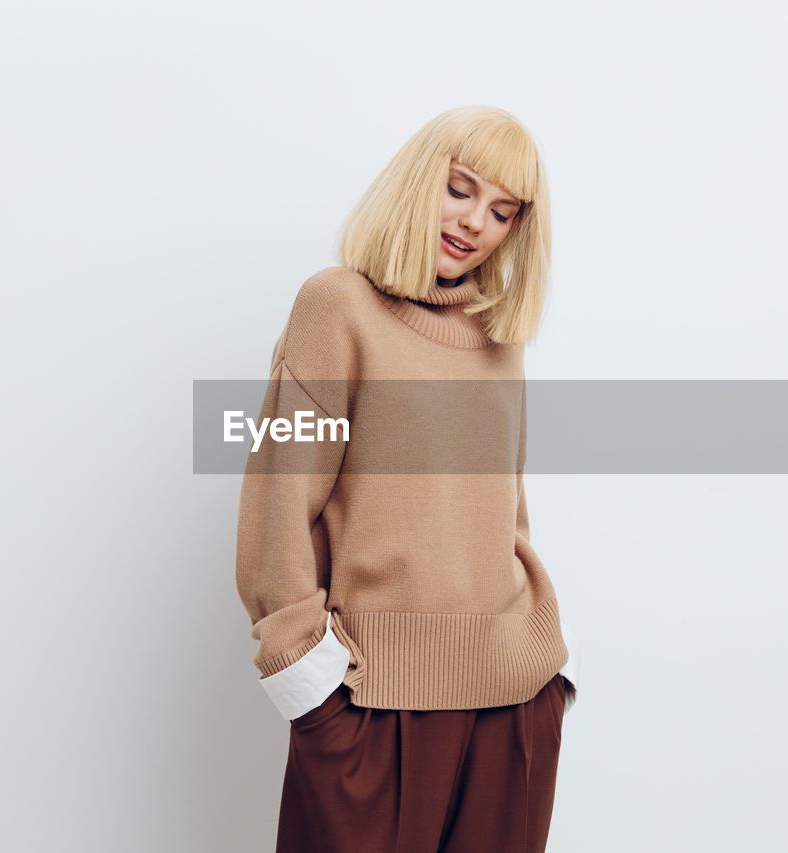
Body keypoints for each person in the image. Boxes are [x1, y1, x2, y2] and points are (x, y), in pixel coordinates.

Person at [235, 105, 580, 853]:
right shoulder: (336, 307)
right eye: (460, 189)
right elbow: (278, 504)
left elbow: (503, 512)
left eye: (502, 210)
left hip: (513, 706)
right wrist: (313, 693)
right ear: (422, 180)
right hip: (373, 707)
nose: (473, 222)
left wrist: (549, 666)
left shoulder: (498, 340)